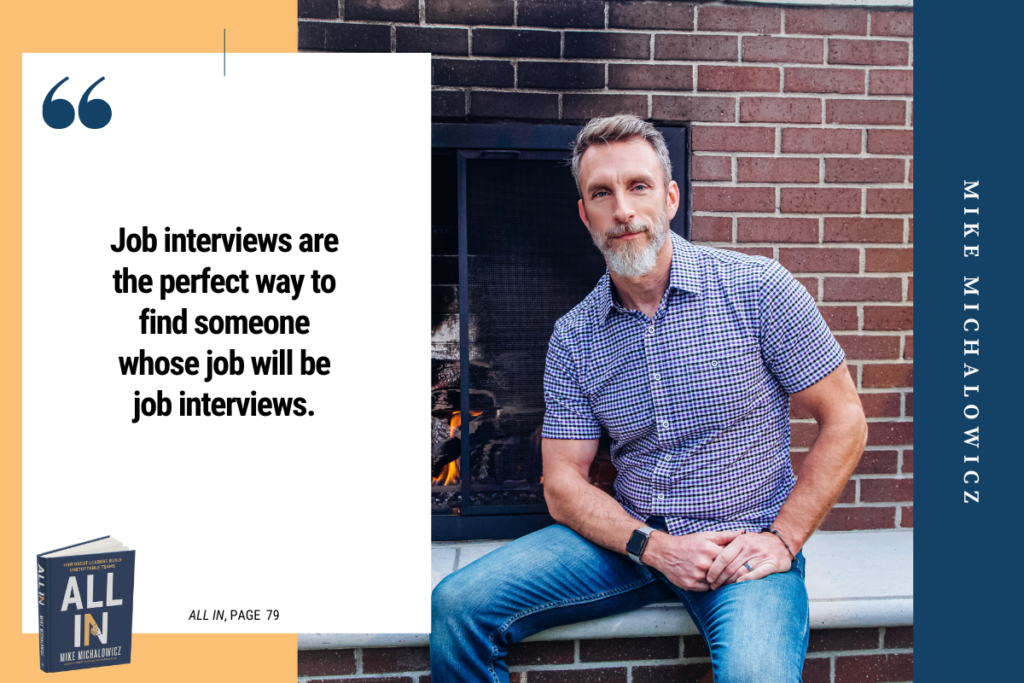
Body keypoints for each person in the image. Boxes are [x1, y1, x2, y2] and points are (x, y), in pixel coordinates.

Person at [430, 115, 868, 682]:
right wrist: (653, 547)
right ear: (585, 215)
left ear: (670, 197)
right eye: (601, 193)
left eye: (638, 186)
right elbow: (563, 484)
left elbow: (845, 420)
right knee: (457, 607)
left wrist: (784, 538)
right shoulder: (575, 335)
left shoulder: (757, 288)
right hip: (630, 542)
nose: (622, 209)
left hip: (744, 547)